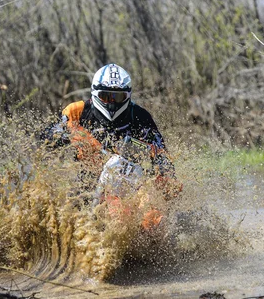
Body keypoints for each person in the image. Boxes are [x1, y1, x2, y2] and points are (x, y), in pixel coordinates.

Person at [40, 63, 181, 199]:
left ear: (128, 96)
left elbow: (161, 152)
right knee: (72, 208)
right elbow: (47, 136)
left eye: (118, 97)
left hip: (130, 181)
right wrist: (74, 137)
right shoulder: (77, 111)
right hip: (88, 179)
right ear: (95, 92)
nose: (112, 102)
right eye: (106, 96)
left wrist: (166, 175)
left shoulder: (140, 116)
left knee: (153, 209)